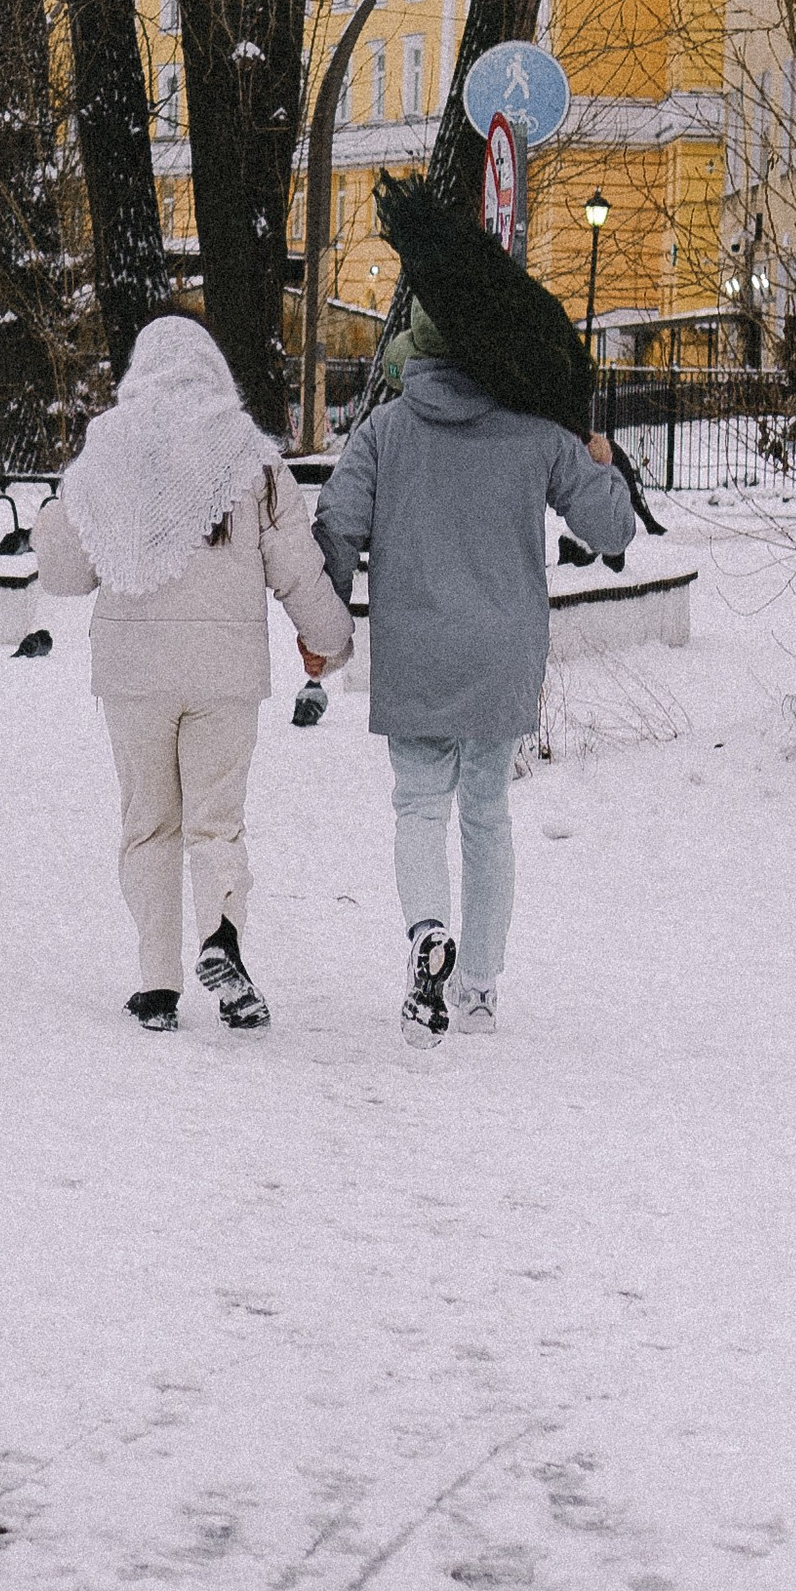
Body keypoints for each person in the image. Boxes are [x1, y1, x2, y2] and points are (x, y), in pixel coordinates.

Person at [312, 292, 634, 1040]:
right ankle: (480, 987)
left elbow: (336, 526)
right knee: (488, 812)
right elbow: (613, 529)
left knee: (419, 806)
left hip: (416, 649)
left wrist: (323, 624)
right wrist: (604, 461)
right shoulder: (538, 432)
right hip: (501, 651)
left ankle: (428, 933)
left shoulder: (385, 430)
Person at [36, 315, 354, 1033]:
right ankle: (222, 936)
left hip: (133, 675)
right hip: (225, 674)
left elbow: (66, 574)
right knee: (217, 823)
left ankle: (156, 985)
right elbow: (296, 569)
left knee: (148, 824)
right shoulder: (252, 458)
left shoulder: (107, 449)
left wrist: (56, 514)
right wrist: (329, 641)